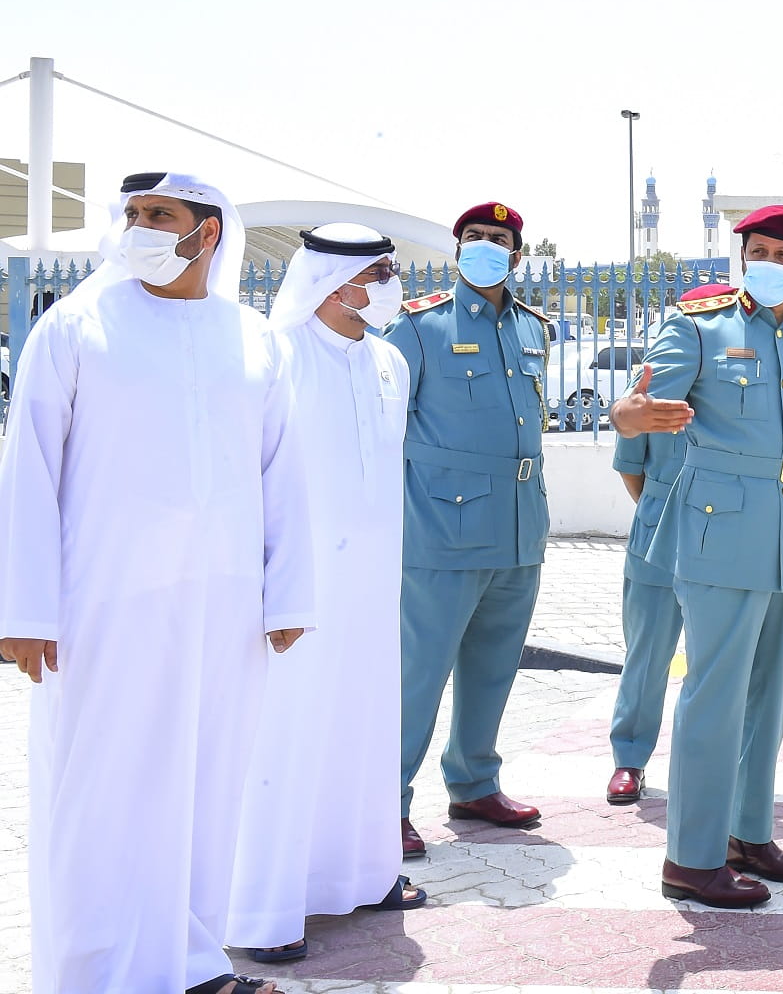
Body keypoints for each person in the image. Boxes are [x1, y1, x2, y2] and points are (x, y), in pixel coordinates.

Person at [0, 172, 313, 994]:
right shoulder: (73, 327)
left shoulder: (254, 339)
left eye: (158, 215)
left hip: (223, 606)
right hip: (102, 605)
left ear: (207, 233)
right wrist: (26, 609)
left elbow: (283, 472)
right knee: (104, 792)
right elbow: (26, 471)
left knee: (207, 787)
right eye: (131, 214)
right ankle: (94, 971)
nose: (136, 225)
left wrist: (289, 593)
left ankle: (190, 963)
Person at [610, 204, 783, 908]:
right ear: (739, 254)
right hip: (721, 530)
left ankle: (749, 832)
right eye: (760, 250)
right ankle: (690, 858)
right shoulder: (698, 324)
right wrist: (634, 416)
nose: (773, 262)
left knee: (773, 694)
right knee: (713, 696)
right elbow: (632, 407)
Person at [227, 225, 425, 965]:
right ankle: (266, 911)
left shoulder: (388, 360)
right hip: (294, 588)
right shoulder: (275, 357)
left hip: (371, 587)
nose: (389, 284)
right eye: (378, 272)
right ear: (332, 281)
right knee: (289, 736)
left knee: (364, 724)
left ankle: (365, 874)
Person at [387, 201, 551, 857]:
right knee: (417, 674)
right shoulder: (420, 327)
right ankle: (384, 802)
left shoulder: (533, 329)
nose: (486, 247)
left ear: (516, 257)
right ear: (458, 251)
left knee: (492, 668)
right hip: (441, 528)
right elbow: (382, 428)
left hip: (519, 526)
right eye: (474, 238)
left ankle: (474, 781)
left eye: (499, 240)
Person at [605, 281, 732, 803]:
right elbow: (630, 469)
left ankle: (712, 764)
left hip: (723, 533)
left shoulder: (732, 408)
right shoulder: (651, 402)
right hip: (659, 530)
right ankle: (629, 759)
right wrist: (664, 509)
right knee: (648, 650)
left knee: (717, 657)